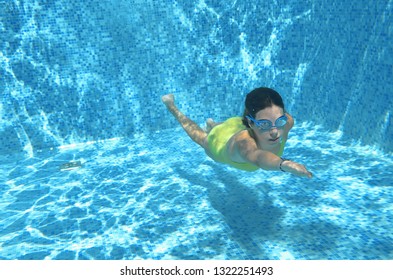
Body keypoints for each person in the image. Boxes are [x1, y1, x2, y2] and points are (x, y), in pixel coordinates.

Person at [161, 87, 312, 178]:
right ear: (251, 123)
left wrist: (270, 122)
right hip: (219, 141)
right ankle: (171, 105)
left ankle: (212, 124)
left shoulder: (287, 122)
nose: (274, 132)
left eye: (279, 121)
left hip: (236, 123)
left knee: (231, 124)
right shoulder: (244, 143)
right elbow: (259, 157)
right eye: (265, 124)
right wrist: (283, 164)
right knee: (200, 137)